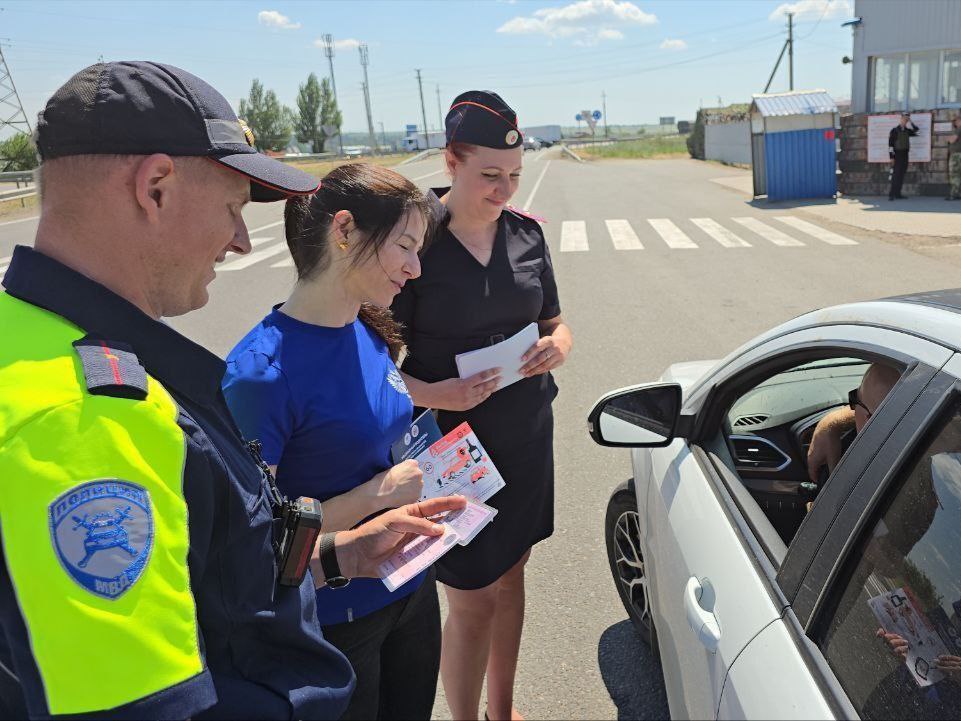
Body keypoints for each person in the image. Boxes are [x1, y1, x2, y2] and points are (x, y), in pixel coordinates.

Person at [0, 61, 465, 720]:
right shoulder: (81, 423)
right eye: (232, 208)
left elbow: (206, 583)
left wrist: (334, 559)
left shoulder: (31, 336)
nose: (244, 241)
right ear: (154, 187)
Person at [222, 164, 443, 721]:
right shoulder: (260, 375)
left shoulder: (367, 329)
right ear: (344, 231)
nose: (415, 268)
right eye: (405, 247)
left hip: (411, 585)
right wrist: (376, 494)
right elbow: (256, 544)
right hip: (337, 619)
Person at [391, 90, 573, 721]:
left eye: (514, 176)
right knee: (470, 599)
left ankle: (503, 710)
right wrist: (436, 394)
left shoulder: (526, 236)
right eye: (490, 175)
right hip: (452, 449)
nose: (504, 190)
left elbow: (556, 323)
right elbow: (369, 370)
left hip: (525, 434)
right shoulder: (412, 246)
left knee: (514, 576)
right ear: (451, 162)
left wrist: (557, 347)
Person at [807, 362, 901, 480]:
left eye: (854, 399)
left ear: (870, 420)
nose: (853, 408)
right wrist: (832, 422)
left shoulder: (868, 475)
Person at [889, 112, 920, 201]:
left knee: (901, 175)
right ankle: (891, 194)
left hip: (905, 155)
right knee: (895, 175)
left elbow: (918, 132)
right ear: (901, 118)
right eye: (904, 118)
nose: (905, 120)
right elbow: (890, 145)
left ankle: (898, 194)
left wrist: (911, 122)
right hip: (897, 155)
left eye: (907, 119)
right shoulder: (894, 130)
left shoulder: (907, 131)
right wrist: (891, 157)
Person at [947, 115, 961, 201]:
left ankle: (954, 194)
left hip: (956, 155)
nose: (954, 123)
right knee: (959, 174)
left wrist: (948, 138)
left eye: (955, 121)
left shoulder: (958, 129)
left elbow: (953, 140)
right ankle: (958, 193)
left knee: (954, 174)